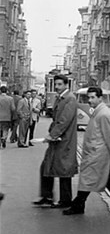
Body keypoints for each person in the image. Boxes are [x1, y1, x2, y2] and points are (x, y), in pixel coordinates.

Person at [63, 87, 110, 215]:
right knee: (108, 177)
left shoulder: (104, 113)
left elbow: (109, 135)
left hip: (98, 152)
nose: (90, 100)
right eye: (88, 97)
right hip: (95, 151)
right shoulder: (98, 111)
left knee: (88, 179)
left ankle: (78, 204)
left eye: (93, 97)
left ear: (100, 98)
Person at [33, 75, 78, 208]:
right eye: (56, 84)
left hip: (64, 141)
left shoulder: (70, 99)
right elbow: (56, 120)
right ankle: (47, 196)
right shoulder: (60, 98)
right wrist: (51, 134)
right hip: (57, 140)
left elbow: (64, 121)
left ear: (66, 85)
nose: (57, 87)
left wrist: (52, 135)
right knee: (46, 166)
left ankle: (65, 200)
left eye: (59, 84)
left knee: (64, 170)